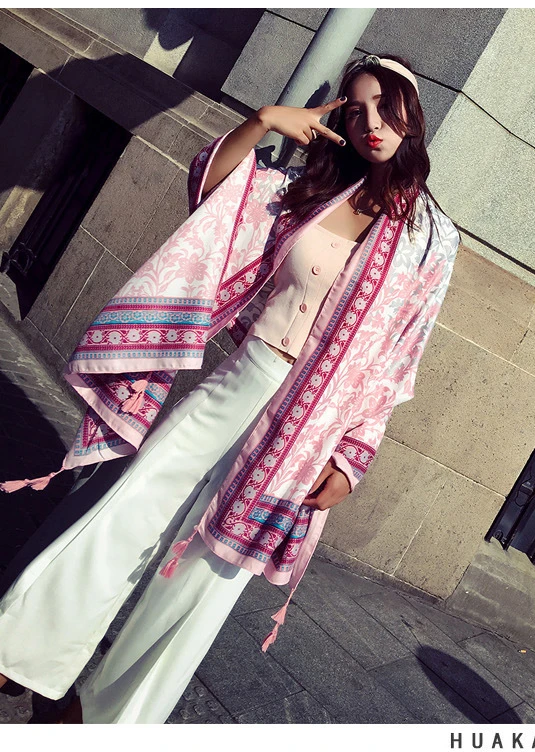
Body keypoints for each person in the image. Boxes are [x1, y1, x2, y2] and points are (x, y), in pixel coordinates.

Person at [0, 54, 459, 723]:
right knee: (131, 503)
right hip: (243, 380)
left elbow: (399, 356)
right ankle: (22, 649)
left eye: (386, 108)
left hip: (309, 431)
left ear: (412, 117)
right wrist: (264, 120)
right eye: (357, 109)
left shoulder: (433, 240)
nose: (371, 124)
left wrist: (354, 455)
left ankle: (106, 721)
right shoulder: (312, 190)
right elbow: (215, 190)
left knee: (202, 585)